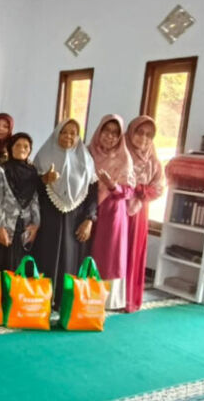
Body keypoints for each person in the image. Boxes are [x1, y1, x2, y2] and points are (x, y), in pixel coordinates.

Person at [32, 119, 98, 308]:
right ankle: (43, 300)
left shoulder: (86, 159)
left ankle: (64, 301)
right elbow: (30, 188)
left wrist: (89, 220)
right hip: (48, 217)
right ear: (57, 133)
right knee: (46, 255)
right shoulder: (44, 156)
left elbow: (93, 193)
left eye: (73, 133)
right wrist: (45, 179)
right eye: (64, 132)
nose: (68, 136)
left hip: (75, 218)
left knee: (70, 258)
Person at [88, 115, 136, 310]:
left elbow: (129, 190)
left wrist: (112, 186)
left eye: (115, 134)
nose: (110, 137)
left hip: (112, 210)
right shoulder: (89, 152)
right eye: (106, 131)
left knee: (108, 254)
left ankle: (107, 300)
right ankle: (85, 294)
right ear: (99, 131)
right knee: (87, 251)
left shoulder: (124, 158)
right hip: (88, 207)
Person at [125, 116, 163, 313]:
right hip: (116, 208)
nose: (143, 138)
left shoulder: (153, 160)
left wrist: (140, 190)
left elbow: (159, 187)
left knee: (133, 252)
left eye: (149, 135)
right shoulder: (120, 151)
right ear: (131, 131)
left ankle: (128, 298)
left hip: (139, 212)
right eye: (140, 132)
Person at [0, 133, 40, 271]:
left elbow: (35, 199)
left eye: (26, 146)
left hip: (25, 228)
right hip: (7, 226)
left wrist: (36, 225)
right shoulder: (1, 170)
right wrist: (0, 228)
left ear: (30, 150)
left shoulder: (32, 172)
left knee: (21, 269)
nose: (22, 149)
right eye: (17, 145)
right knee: (2, 267)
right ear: (11, 147)